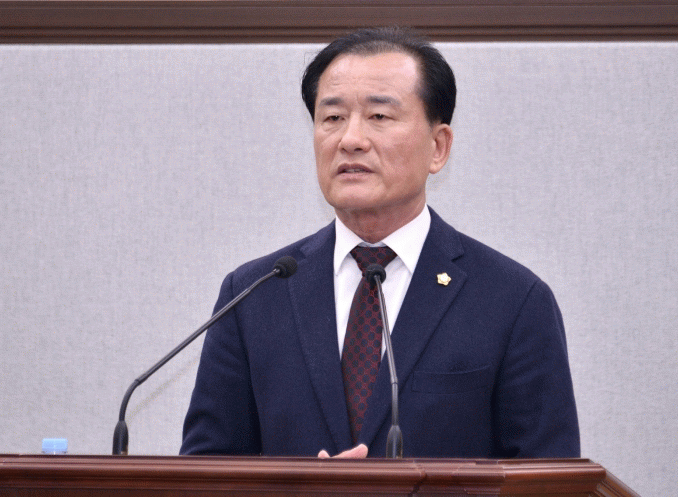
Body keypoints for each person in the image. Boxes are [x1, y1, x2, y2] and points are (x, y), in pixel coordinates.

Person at [180, 27, 580, 459]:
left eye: (379, 116)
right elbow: (207, 471)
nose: (350, 139)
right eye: (333, 118)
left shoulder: (513, 300)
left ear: (438, 147)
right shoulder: (254, 295)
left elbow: (547, 478)